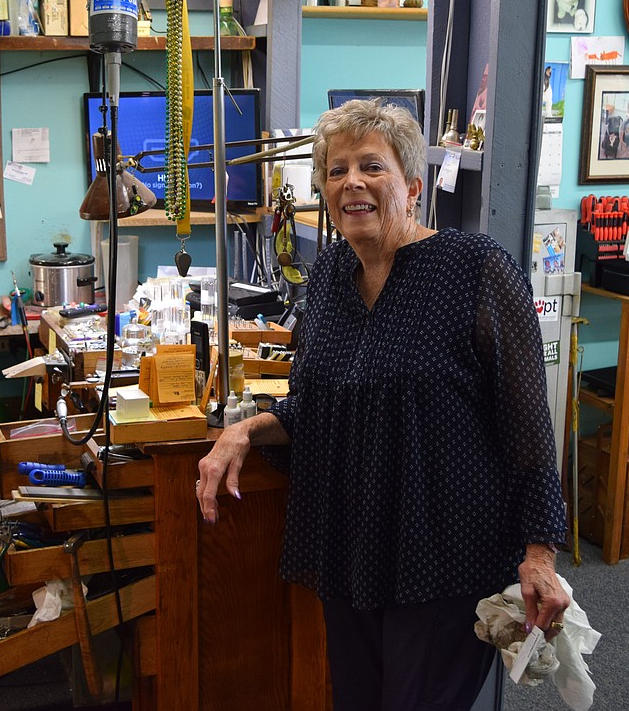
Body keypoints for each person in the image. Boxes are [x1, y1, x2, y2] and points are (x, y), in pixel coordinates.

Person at [196, 100, 569, 710]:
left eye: (372, 166)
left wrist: (539, 551)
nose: (352, 183)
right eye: (336, 171)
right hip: (352, 552)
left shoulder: (475, 268)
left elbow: (528, 423)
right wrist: (243, 430)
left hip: (447, 555)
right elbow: (315, 406)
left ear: (412, 186)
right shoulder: (331, 275)